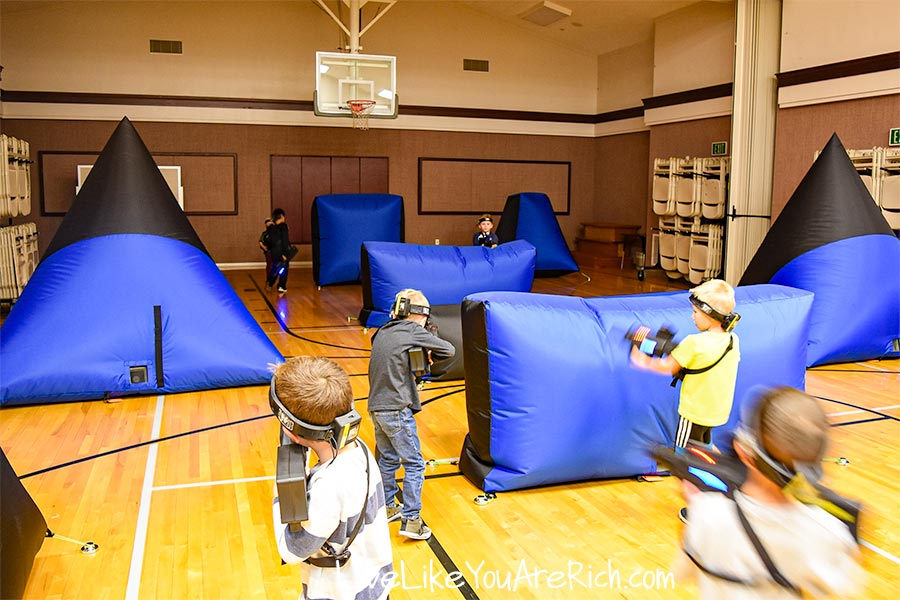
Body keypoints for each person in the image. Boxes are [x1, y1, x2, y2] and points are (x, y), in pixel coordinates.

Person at [674, 386, 865, 598]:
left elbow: (683, 573)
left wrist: (696, 503)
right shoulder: (827, 531)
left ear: (744, 452)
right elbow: (844, 588)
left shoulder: (708, 512)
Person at [271, 356, 393, 600]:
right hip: (374, 587)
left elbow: (292, 551)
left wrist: (280, 493)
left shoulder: (328, 488)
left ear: (290, 429)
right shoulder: (360, 449)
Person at [630, 279, 741, 521]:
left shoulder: (694, 343)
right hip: (715, 411)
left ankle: (701, 505)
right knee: (703, 445)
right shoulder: (732, 340)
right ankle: (730, 478)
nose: (692, 317)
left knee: (683, 457)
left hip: (693, 412)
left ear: (710, 315)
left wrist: (640, 358)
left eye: (696, 312)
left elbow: (668, 368)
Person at [367, 289, 456, 540]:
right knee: (415, 464)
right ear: (419, 315)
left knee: (387, 460)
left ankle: (387, 506)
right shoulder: (413, 331)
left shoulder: (382, 331)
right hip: (396, 409)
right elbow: (448, 350)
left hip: (377, 408)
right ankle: (412, 520)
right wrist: (430, 352)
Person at [265, 208, 291, 293]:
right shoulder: (283, 227)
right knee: (284, 269)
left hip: (274, 252)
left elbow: (270, 241)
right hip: (282, 251)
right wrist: (285, 253)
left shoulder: (271, 228)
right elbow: (285, 240)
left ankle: (270, 282)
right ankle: (281, 285)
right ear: (282, 217)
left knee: (275, 267)